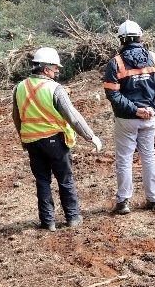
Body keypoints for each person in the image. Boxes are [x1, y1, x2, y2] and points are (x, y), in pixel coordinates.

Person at [12, 47, 103, 231]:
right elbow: (73, 116)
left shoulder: (19, 87)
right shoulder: (54, 88)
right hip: (54, 141)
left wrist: (23, 138)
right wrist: (90, 136)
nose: (57, 72)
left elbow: (16, 116)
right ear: (46, 69)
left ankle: (48, 222)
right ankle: (73, 218)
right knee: (65, 179)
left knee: (42, 181)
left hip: (32, 142)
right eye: (55, 69)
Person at [102, 20, 155, 215]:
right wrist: (152, 108)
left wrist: (135, 110)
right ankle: (154, 198)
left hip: (126, 119)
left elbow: (113, 94)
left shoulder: (115, 63)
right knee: (149, 156)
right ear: (140, 37)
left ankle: (123, 201)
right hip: (149, 118)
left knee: (125, 159)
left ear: (121, 40)